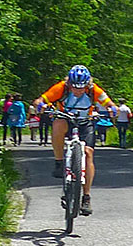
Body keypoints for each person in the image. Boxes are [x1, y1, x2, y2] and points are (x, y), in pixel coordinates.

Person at [39, 65, 117, 216]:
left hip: (85, 121)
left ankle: (86, 197)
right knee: (57, 124)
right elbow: (40, 100)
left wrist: (113, 109)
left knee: (88, 154)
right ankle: (59, 161)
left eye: (82, 88)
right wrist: (41, 106)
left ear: (87, 84)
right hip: (66, 119)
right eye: (75, 87)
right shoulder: (61, 88)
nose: (78, 90)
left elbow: (108, 102)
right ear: (69, 83)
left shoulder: (94, 90)